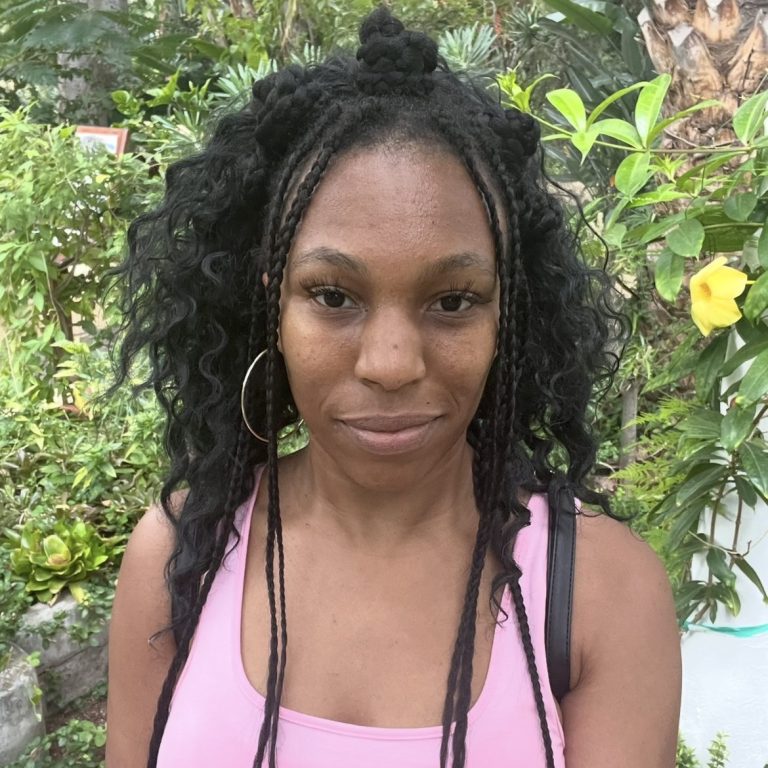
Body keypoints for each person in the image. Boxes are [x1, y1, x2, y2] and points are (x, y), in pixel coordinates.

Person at [105, 7, 681, 768]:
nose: (390, 363)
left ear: (509, 311)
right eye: (333, 295)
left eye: (453, 301)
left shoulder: (603, 595)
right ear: (270, 302)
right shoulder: (183, 554)